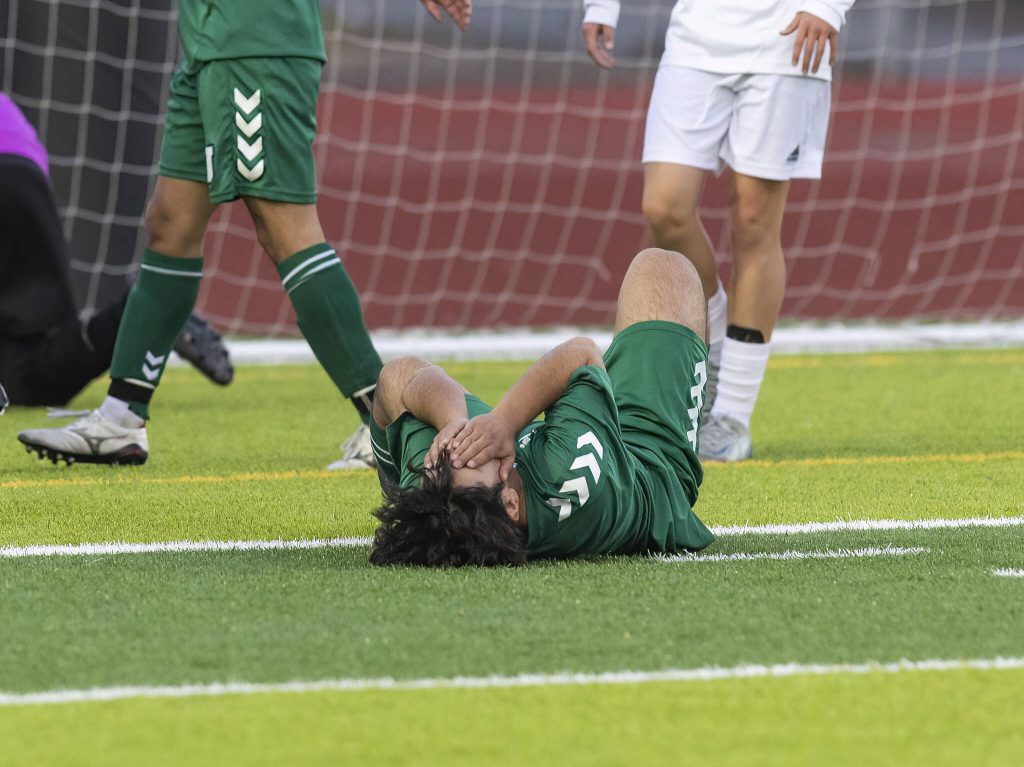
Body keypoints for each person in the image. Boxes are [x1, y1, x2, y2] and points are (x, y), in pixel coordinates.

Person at [17, 0, 472, 467]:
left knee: (284, 225)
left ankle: (386, 421)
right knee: (170, 223)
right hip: (208, 45)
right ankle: (121, 417)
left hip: (255, 40)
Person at [581, 0, 855, 461]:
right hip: (697, 38)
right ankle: (717, 342)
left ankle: (731, 416)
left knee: (754, 222)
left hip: (785, 36)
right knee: (664, 209)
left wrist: (828, 5)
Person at [369, 248, 714, 566]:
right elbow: (581, 355)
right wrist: (503, 421)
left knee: (404, 401)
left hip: (555, 448)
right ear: (511, 504)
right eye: (468, 456)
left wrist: (454, 421)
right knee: (663, 268)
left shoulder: (442, 492)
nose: (457, 447)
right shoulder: (563, 478)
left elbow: (396, 378)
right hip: (646, 458)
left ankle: (394, 470)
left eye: (441, 462)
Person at [0, 94, 231, 422]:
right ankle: (135, 312)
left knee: (25, 381)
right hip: (25, 169)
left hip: (20, 165)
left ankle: (142, 312)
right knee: (35, 368)